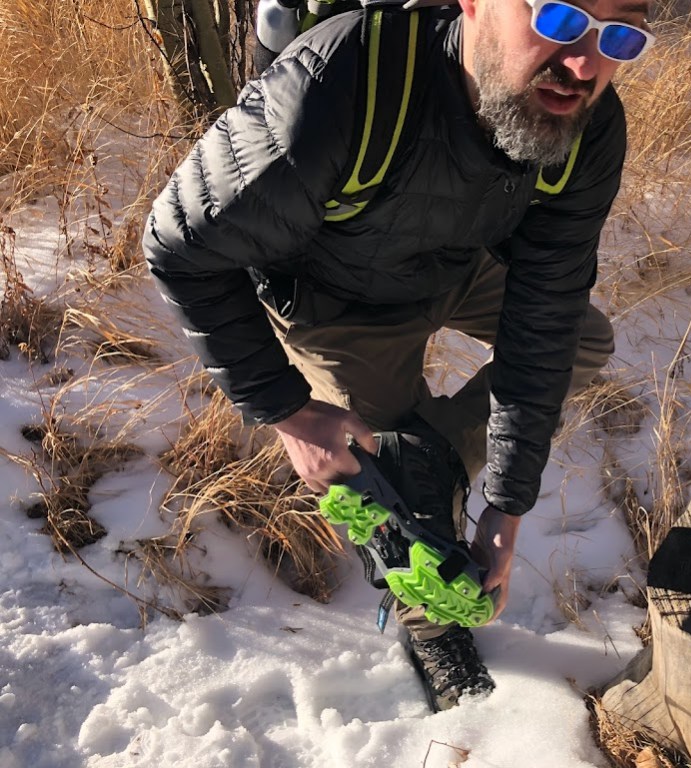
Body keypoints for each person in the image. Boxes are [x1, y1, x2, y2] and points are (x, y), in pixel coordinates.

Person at [143, 0, 653, 711]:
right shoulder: (340, 85)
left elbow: (546, 309)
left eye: (620, 35)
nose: (583, 63)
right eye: (559, 18)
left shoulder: (586, 124)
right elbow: (178, 247)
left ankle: (424, 465)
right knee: (383, 478)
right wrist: (288, 413)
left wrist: (506, 504)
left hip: (451, 265)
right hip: (334, 296)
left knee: (580, 341)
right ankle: (432, 626)